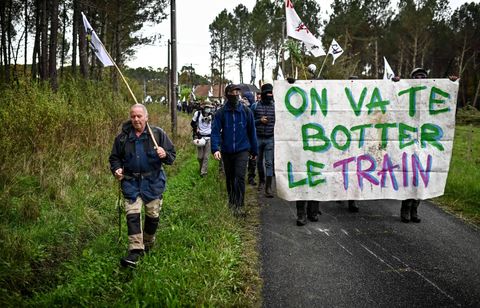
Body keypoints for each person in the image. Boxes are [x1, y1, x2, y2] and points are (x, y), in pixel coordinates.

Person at [109, 104, 176, 267]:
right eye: (133, 116)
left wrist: (164, 154)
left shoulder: (158, 134)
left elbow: (172, 157)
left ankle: (148, 243)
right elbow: (114, 158)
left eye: (139, 116)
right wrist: (116, 169)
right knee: (132, 215)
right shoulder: (122, 138)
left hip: (153, 183)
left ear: (146, 117)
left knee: (152, 216)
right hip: (131, 183)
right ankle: (135, 251)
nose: (136, 119)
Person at [398, 68, 458, 223]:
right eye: (416, 76)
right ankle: (405, 208)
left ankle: (415, 209)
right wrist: (395, 84)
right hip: (408, 142)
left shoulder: (433, 93)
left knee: (422, 177)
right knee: (411, 176)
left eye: (423, 76)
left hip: (427, 143)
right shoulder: (405, 92)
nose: (420, 78)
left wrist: (451, 84)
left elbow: (446, 106)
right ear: (411, 79)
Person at [211, 84, 258, 216]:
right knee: (230, 178)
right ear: (227, 95)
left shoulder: (246, 112)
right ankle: (232, 202)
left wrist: (254, 151)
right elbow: (215, 132)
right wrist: (215, 148)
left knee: (239, 177)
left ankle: (239, 205)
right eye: (232, 92)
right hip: (226, 151)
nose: (236, 94)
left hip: (242, 150)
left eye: (237, 91)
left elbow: (252, 132)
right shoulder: (221, 113)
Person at [253, 83, 276, 198]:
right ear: (262, 94)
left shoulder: (276, 107)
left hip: (270, 138)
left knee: (269, 163)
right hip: (258, 137)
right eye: (267, 93)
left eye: (271, 93)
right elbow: (250, 122)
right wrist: (259, 120)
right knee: (259, 162)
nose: (269, 95)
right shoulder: (255, 106)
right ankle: (261, 180)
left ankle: (268, 187)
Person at [191, 102, 214, 177]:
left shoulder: (212, 115)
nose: (208, 109)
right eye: (207, 107)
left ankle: (203, 172)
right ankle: (201, 168)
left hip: (209, 137)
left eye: (209, 107)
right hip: (200, 137)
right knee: (200, 157)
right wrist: (196, 129)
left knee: (206, 157)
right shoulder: (197, 114)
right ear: (203, 107)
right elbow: (192, 123)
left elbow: (215, 125)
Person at [243, 91, 258, 186]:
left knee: (253, 159)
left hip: (252, 136)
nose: (244, 100)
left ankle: (251, 177)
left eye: (246, 98)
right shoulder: (241, 109)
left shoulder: (254, 108)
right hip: (243, 137)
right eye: (243, 98)